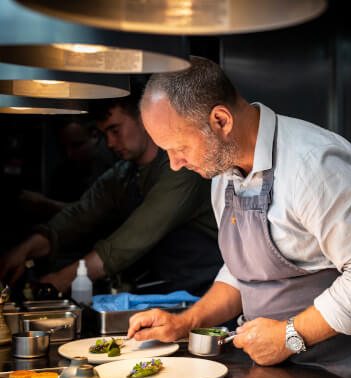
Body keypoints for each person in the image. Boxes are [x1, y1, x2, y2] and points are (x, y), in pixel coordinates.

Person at [126, 56, 351, 378]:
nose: (174, 165)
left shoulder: (313, 164)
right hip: (287, 374)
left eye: (179, 147)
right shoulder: (223, 174)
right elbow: (243, 273)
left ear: (220, 120)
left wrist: (290, 335)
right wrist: (187, 323)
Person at [0, 80, 223, 297]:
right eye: (104, 133)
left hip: (210, 296)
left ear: (145, 119)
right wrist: (26, 249)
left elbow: (131, 239)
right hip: (164, 296)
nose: (109, 142)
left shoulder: (183, 169)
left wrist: (61, 279)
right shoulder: (121, 176)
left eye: (115, 130)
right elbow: (78, 216)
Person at [18, 118, 116, 222]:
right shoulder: (64, 171)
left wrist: (47, 204)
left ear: (94, 136)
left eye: (76, 145)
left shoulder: (112, 167)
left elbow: (99, 214)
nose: (69, 154)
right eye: (63, 147)